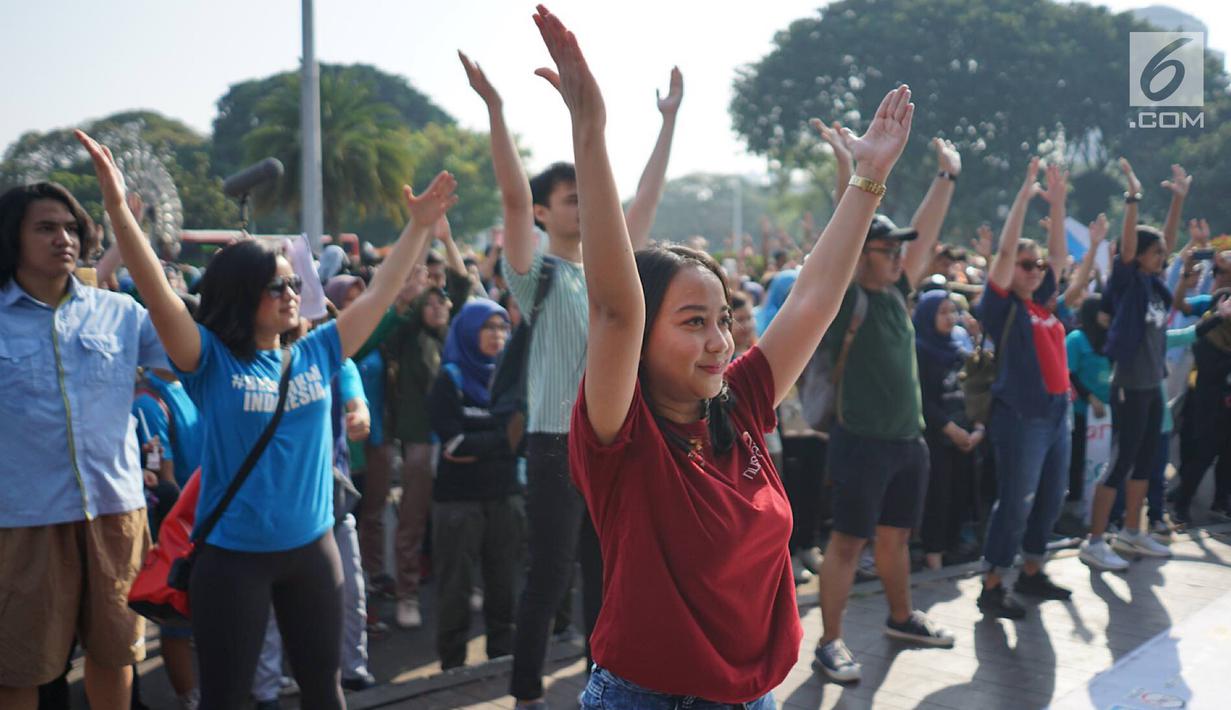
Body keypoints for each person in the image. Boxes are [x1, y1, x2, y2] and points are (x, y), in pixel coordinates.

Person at [531, 7, 915, 705]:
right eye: (691, 322)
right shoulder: (621, 435)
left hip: (753, 695)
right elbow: (615, 309)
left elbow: (813, 300)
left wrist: (868, 177)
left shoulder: (738, 402)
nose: (718, 340)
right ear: (640, 341)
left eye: (720, 320)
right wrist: (589, 129)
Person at [72, 129, 459, 709]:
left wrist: (419, 226)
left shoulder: (318, 350)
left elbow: (380, 294)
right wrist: (119, 212)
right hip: (232, 561)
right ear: (241, 293)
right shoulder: (210, 360)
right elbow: (157, 293)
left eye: (293, 282)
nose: (290, 292)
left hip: (313, 550)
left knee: (324, 693)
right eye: (275, 285)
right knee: (227, 699)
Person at [458, 39, 683, 706]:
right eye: (569, 198)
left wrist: (668, 120)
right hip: (556, 441)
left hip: (613, 439)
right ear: (543, 213)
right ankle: (527, 693)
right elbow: (510, 195)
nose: (584, 206)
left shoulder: (610, 271)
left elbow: (643, 199)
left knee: (607, 574)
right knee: (550, 573)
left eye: (586, 197)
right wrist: (496, 110)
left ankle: (601, 688)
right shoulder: (537, 276)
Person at [0, 182, 164, 710]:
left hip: (116, 513)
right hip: (22, 519)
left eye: (71, 228)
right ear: (13, 237)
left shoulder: (121, 312)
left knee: (116, 655)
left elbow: (187, 358)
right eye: (46, 228)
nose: (64, 239)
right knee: (17, 668)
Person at [812, 136, 963, 684]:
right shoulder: (845, 299)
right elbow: (842, 234)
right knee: (848, 544)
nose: (901, 258)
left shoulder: (897, 292)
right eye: (887, 250)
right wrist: (852, 171)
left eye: (901, 252)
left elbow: (925, 231)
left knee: (896, 536)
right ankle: (829, 642)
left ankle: (901, 619)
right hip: (862, 443)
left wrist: (946, 177)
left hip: (907, 443)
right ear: (861, 254)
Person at [973, 157, 1073, 620]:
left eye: (1037, 266)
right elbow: (1005, 254)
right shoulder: (1001, 307)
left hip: (1057, 412)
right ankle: (993, 583)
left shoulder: (1044, 304)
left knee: (1051, 498)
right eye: (1025, 265)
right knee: (1016, 501)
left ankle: (1032, 571)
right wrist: (1024, 193)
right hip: (1020, 414)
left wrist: (1058, 203)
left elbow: (1059, 258)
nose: (1035, 271)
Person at [1081, 160, 1189, 570]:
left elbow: (1169, 240)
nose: (1163, 256)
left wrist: (1178, 201)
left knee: (1146, 461)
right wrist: (1132, 197)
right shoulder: (1128, 282)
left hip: (1151, 384)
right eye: (1155, 252)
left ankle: (1131, 530)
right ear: (1138, 256)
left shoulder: (1156, 286)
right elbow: (1128, 248)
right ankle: (1094, 541)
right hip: (1128, 383)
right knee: (1121, 461)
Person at [427, 298, 525, 669]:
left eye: (502, 327)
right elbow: (453, 444)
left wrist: (484, 443)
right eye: (488, 327)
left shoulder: (512, 381)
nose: (497, 335)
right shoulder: (449, 379)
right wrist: (502, 440)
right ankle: (452, 667)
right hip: (458, 501)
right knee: (455, 588)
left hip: (504, 496)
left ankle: (502, 659)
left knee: (504, 584)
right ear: (468, 332)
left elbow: (519, 440)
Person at [913, 290, 981, 570]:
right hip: (936, 436)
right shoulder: (919, 348)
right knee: (937, 494)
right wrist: (949, 428)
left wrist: (976, 428)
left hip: (963, 434)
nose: (950, 317)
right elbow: (922, 398)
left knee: (960, 491)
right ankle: (934, 554)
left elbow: (973, 388)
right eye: (942, 312)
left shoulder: (957, 347)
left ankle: (953, 549)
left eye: (952, 311)